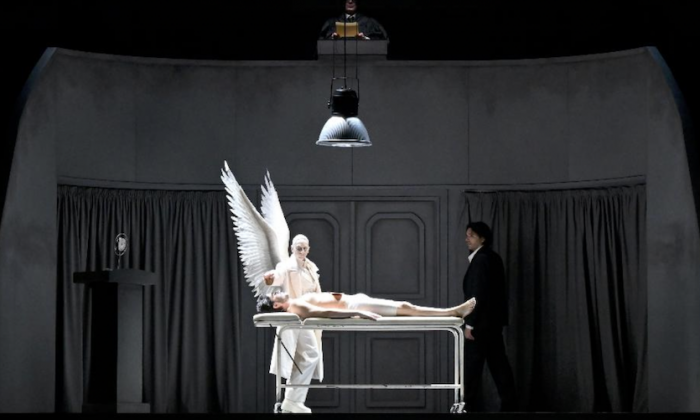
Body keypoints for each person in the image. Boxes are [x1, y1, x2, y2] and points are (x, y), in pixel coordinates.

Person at [262, 234, 323, 414]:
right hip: (296, 316)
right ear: (292, 248)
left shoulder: (311, 267)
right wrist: (270, 278)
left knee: (305, 357)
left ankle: (293, 400)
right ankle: (292, 400)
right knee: (311, 354)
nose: (302, 251)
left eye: (304, 248)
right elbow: (277, 276)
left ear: (309, 249)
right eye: (298, 248)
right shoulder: (286, 266)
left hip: (308, 315)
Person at [461, 222, 517, 412]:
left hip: (480, 325)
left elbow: (477, 294)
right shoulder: (492, 257)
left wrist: (470, 324)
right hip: (492, 324)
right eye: (467, 235)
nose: (467, 239)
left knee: (472, 370)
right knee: (499, 367)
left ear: (483, 238)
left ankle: (467, 408)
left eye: (471, 235)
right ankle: (510, 407)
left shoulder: (481, 260)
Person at [257, 290, 477, 320]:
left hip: (354, 300)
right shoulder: (296, 307)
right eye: (275, 295)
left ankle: (452, 311)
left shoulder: (294, 302)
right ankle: (453, 312)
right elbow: (326, 312)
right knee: (405, 306)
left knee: (405, 307)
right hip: (355, 305)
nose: (278, 291)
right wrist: (359, 312)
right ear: (276, 305)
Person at [319, 0, 388, 40]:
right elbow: (321, 41)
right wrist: (332, 38)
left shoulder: (369, 22)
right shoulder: (331, 23)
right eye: (347, 0)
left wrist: (365, 38)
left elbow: (383, 40)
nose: (350, 1)